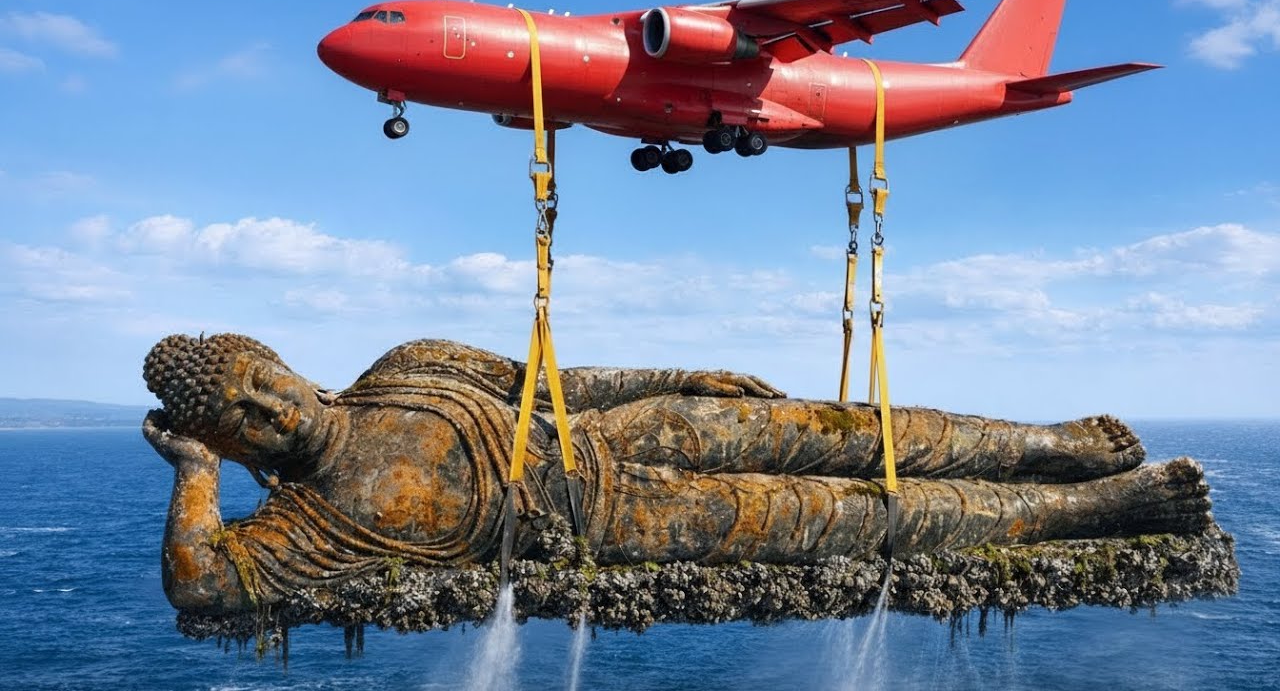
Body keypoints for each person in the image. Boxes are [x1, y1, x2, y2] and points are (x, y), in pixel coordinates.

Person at [142, 334, 1211, 612]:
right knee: (860, 513)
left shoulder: (403, 371)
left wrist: (676, 375)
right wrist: (194, 475)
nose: (267, 410)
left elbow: (542, 376)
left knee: (857, 427)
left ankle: (1049, 444)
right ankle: (1094, 506)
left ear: (282, 361)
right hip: (626, 511)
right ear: (228, 443)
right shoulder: (309, 522)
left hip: (640, 428)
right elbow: (201, 583)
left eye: (261, 381)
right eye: (237, 420)